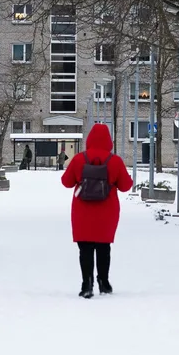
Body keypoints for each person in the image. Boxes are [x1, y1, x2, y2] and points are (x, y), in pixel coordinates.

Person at [61, 124, 134, 298]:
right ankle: (104, 282)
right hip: (107, 212)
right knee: (104, 248)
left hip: (82, 212)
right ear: (109, 140)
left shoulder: (79, 159)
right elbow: (125, 186)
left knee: (85, 249)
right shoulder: (115, 161)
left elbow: (66, 182)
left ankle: (86, 284)